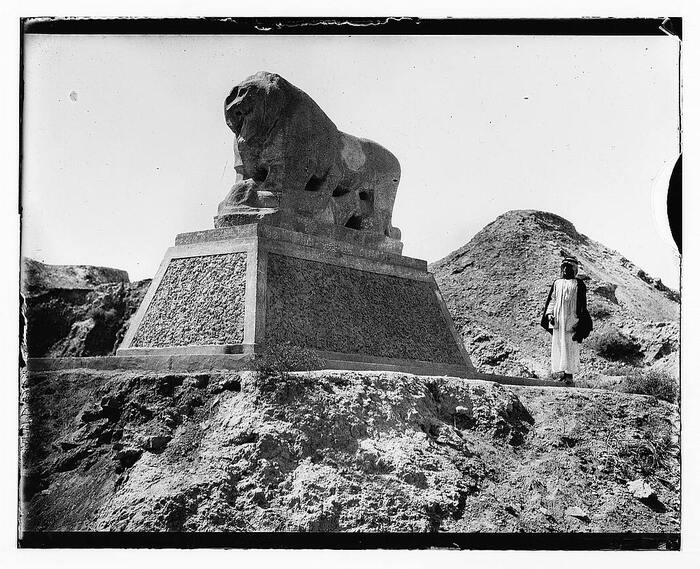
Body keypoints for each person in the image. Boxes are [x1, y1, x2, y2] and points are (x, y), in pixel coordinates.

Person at [540, 257, 592, 384]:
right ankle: (562, 373)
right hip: (558, 320)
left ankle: (569, 376)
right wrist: (549, 315)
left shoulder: (579, 284)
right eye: (563, 267)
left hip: (572, 320)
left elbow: (582, 305)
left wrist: (580, 322)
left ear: (574, 270)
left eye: (568, 267)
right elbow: (552, 300)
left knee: (570, 346)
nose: (565, 270)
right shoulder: (557, 283)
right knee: (559, 345)